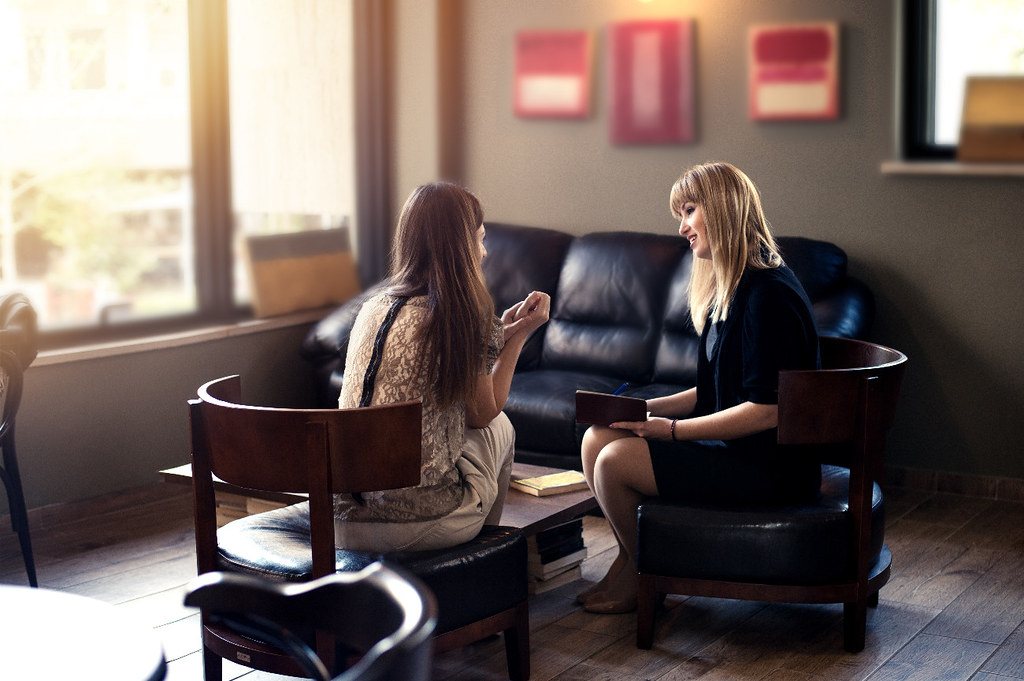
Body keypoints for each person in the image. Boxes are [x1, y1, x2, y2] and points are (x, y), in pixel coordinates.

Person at [578, 162, 820, 614]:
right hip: (736, 450)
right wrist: (640, 408)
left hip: (768, 466)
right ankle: (631, 560)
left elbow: (767, 410)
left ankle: (648, 573)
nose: (683, 227)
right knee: (598, 437)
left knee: (614, 461)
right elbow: (708, 390)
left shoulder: (769, 295)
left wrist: (669, 430)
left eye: (689, 211)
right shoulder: (730, 289)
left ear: (724, 208)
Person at [334, 181, 550, 552]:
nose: (483, 253)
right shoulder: (460, 314)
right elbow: (484, 412)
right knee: (501, 427)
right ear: (460, 246)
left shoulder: (373, 306)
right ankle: (483, 560)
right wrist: (520, 336)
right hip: (415, 523)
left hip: (341, 522)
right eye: (479, 240)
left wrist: (497, 333)